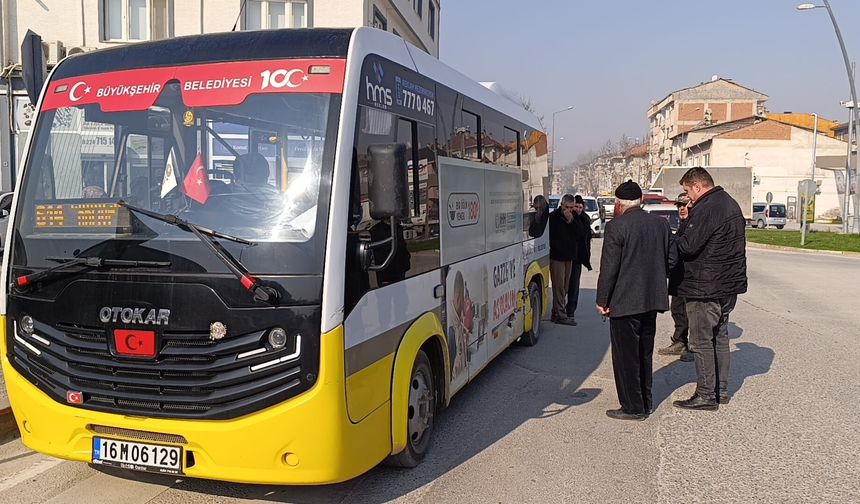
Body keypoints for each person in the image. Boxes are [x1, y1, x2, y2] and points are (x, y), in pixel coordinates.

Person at [596, 180, 675, 421]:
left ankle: (633, 407)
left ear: (619, 204)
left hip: (624, 302)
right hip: (651, 300)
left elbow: (609, 268)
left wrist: (602, 300)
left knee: (625, 357)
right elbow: (672, 259)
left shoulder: (616, 227)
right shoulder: (660, 225)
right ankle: (646, 401)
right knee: (644, 353)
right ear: (640, 201)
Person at [672, 167, 747, 411]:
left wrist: (679, 231)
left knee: (701, 340)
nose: (688, 199)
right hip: (728, 286)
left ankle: (706, 394)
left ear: (697, 186)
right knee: (720, 337)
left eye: (687, 192)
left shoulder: (706, 208)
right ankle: (720, 390)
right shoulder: (730, 204)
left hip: (704, 287)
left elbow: (688, 246)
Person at [658, 192, 693, 362]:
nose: (682, 209)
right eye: (679, 206)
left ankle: (692, 347)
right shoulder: (682, 224)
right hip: (679, 276)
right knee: (678, 310)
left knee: (691, 313)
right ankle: (679, 341)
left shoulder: (694, 225)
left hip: (691, 277)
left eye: (685, 205)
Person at [548, 194, 578, 325]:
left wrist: (571, 220)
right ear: (562, 206)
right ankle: (561, 314)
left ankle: (556, 311)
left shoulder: (574, 217)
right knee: (558, 286)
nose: (569, 210)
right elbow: (552, 235)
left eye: (572, 207)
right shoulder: (554, 217)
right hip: (557, 257)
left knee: (565, 287)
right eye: (567, 207)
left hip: (569, 257)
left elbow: (581, 232)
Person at [565, 195, 593, 324]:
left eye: (580, 207)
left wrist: (587, 257)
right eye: (576, 206)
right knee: (563, 285)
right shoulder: (567, 218)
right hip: (565, 256)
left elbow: (586, 240)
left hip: (577, 258)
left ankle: (570, 311)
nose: (578, 209)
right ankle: (559, 309)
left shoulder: (585, 219)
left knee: (574, 285)